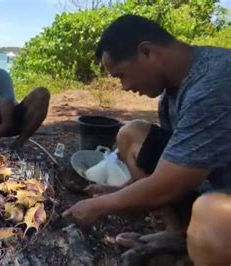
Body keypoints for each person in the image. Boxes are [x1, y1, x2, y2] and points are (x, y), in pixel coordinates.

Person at [62, 15, 231, 264]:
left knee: (212, 216)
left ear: (147, 52)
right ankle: (178, 234)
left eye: (121, 75)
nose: (124, 87)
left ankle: (206, 247)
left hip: (219, 198)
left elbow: (170, 184)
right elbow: (175, 160)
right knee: (132, 134)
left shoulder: (213, 86)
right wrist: (122, 190)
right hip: (214, 181)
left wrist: (100, 206)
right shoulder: (171, 94)